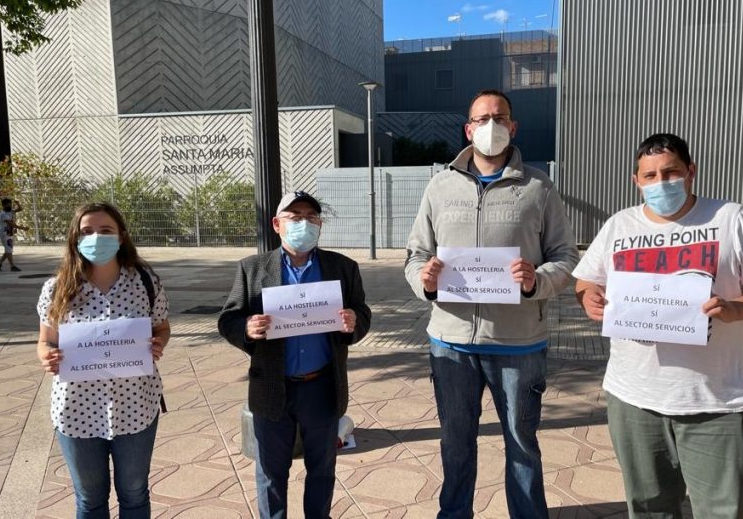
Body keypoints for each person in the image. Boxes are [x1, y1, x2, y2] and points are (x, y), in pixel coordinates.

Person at [572, 133, 743, 518]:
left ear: (691, 172)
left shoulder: (728, 217)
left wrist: (737, 308)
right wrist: (588, 295)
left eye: (671, 172)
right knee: (650, 508)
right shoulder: (620, 225)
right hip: (634, 398)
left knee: (725, 511)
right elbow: (587, 279)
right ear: (636, 180)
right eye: (650, 175)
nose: (661, 182)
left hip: (718, 400)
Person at [405, 89, 579, 518]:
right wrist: (424, 281)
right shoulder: (440, 185)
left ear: (513, 126)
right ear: (468, 128)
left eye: (498, 117)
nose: (490, 126)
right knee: (456, 442)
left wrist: (535, 281)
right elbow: (415, 255)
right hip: (451, 341)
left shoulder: (539, 187)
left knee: (522, 442)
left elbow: (567, 258)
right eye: (481, 119)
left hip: (518, 343)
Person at [218, 190, 371, 519]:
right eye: (295, 217)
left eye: (311, 218)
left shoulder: (343, 268)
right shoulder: (252, 269)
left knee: (322, 470)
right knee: (271, 473)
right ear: (277, 224)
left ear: (320, 225)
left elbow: (362, 311)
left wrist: (354, 321)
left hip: (321, 386)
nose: (304, 223)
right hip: (272, 387)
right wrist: (246, 328)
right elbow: (227, 318)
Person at [36, 202, 171, 518]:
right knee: (90, 499)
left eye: (106, 230)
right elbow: (45, 340)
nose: (96, 237)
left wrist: (157, 344)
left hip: (136, 406)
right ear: (75, 238)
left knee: (135, 494)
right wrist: (47, 356)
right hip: (76, 410)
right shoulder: (57, 289)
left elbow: (162, 327)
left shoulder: (146, 282)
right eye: (87, 231)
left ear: (121, 236)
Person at [0, 198, 28, 272]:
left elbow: (20, 209)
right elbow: (10, 223)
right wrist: (22, 228)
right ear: (3, 206)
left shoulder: (11, 211)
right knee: (9, 250)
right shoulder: (3, 214)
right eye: (8, 205)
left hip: (10, 233)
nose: (10, 206)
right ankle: (12, 266)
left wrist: (18, 203)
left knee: (8, 250)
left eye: (10, 204)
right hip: (4, 234)